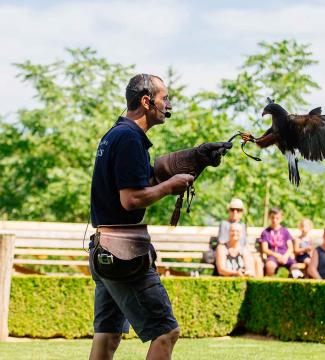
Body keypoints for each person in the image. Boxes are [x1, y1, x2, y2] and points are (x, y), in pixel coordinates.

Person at [88, 73, 231, 360]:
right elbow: (131, 199)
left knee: (108, 337)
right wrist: (171, 186)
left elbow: (143, 178)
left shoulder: (115, 134)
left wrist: (196, 156)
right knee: (166, 332)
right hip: (123, 254)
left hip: (103, 250)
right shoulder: (130, 139)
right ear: (146, 101)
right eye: (164, 98)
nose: (168, 104)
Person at [216, 198, 263, 278]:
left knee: (257, 260)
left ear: (242, 212)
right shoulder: (224, 224)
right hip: (229, 251)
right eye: (232, 209)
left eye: (238, 210)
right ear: (229, 211)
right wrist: (237, 250)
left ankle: (257, 284)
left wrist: (248, 252)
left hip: (242, 251)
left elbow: (244, 243)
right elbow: (222, 242)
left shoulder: (243, 225)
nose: (235, 212)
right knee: (250, 259)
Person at [259, 207, 301, 277]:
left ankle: (293, 285)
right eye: (272, 218)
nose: (274, 220)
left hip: (285, 255)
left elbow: (290, 248)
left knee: (295, 268)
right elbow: (265, 249)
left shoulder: (285, 231)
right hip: (272, 256)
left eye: (277, 218)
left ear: (281, 218)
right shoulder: (265, 232)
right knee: (270, 266)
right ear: (269, 217)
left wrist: (285, 256)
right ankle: (271, 285)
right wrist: (277, 256)